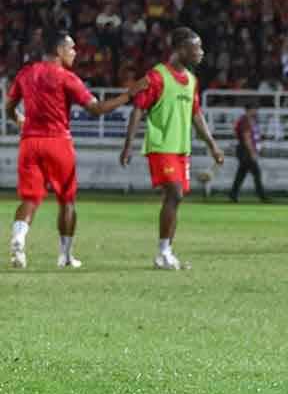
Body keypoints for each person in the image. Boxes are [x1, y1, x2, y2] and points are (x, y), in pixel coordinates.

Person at [6, 29, 146, 269]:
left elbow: (9, 107)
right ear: (59, 51)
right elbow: (97, 109)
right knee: (66, 200)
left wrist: (19, 119)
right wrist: (128, 94)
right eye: (71, 48)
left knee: (29, 198)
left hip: (29, 143)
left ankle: (19, 238)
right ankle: (66, 256)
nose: (75, 52)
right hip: (58, 142)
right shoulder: (66, 77)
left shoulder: (26, 73)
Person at [120, 27, 224, 270]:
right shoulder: (157, 76)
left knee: (175, 199)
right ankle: (163, 253)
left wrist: (213, 146)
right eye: (196, 48)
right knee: (175, 194)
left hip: (180, 149)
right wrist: (128, 145)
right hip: (161, 146)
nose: (201, 52)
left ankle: (165, 253)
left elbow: (196, 116)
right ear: (181, 49)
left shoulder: (192, 81)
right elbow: (138, 108)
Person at [229, 104, 270, 203]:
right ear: (249, 110)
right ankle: (262, 196)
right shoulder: (245, 121)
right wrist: (252, 152)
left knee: (241, 174)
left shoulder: (249, 121)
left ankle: (233, 194)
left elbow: (252, 137)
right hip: (245, 150)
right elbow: (247, 138)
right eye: (254, 109)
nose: (256, 112)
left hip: (244, 150)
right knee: (256, 173)